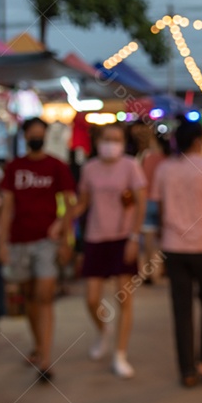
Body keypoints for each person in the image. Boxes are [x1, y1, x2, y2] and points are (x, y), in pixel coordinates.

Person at [151, 119, 202, 388]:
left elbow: (161, 213)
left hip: (175, 247)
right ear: (198, 140)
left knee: (181, 309)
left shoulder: (165, 169)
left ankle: (187, 370)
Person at [0, 118, 77, 379]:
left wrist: (65, 236)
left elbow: (69, 204)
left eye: (39, 134)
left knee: (44, 295)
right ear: (24, 137)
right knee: (30, 296)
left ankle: (45, 358)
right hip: (19, 241)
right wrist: (2, 242)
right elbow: (7, 207)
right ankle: (38, 344)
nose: (36, 137)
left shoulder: (57, 166)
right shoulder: (14, 168)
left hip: (46, 240)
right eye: (32, 134)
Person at [69, 124, 147, 378]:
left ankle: (120, 354)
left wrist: (134, 238)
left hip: (123, 237)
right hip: (95, 237)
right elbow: (83, 203)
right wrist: (65, 220)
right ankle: (104, 331)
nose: (111, 143)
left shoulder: (130, 166)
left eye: (116, 139)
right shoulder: (89, 168)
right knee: (91, 298)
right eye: (107, 139)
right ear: (98, 141)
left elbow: (140, 202)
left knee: (123, 298)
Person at [134, 124, 168, 283]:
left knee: (148, 238)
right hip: (163, 200)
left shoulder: (142, 157)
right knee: (164, 236)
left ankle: (148, 271)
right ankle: (164, 269)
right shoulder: (165, 157)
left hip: (146, 199)